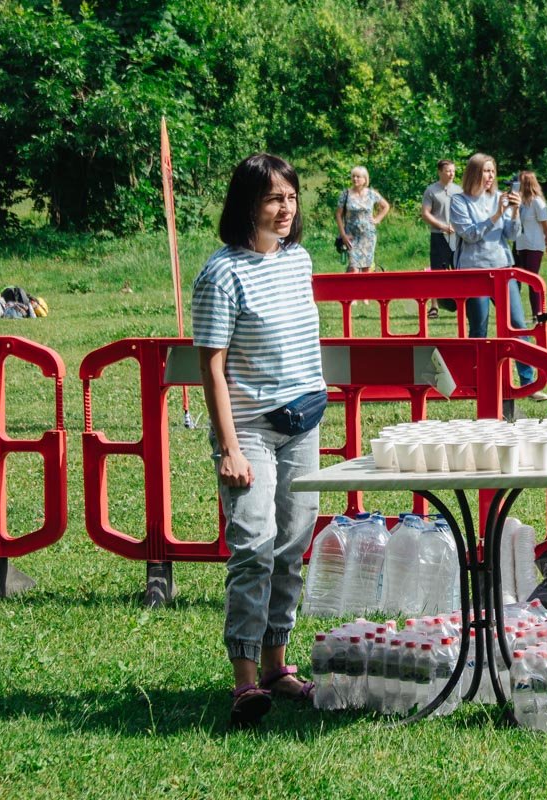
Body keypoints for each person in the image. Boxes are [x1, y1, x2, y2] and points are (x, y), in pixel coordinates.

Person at [192, 154, 326, 727]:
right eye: (274, 198)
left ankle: (278, 664)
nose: (286, 207)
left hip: (303, 421)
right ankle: (245, 680)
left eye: (291, 197)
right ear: (247, 204)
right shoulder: (220, 274)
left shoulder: (299, 261)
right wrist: (229, 449)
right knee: (253, 547)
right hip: (249, 430)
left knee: (292, 546)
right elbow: (212, 368)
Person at [449, 153, 547, 400]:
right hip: (475, 271)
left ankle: (527, 382)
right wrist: (496, 214)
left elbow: (512, 235)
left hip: (503, 268)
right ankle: (476, 381)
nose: (490, 176)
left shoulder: (499, 199)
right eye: (486, 171)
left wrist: (513, 212)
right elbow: (470, 235)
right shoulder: (459, 201)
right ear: (474, 173)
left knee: (517, 325)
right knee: (480, 328)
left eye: (493, 171)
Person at [420, 159, 462, 318]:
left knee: (459, 270)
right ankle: (434, 307)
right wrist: (442, 226)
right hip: (439, 236)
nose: (451, 174)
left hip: (457, 236)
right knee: (437, 272)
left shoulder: (459, 190)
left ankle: (462, 304)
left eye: (453, 171)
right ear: (440, 172)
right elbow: (425, 213)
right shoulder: (431, 190)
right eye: (448, 171)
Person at [335, 165, 390, 273]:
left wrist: (377, 219)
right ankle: (352, 290)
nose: (355, 179)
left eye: (358, 177)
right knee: (353, 268)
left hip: (368, 236)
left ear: (365, 179)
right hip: (351, 236)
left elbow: (386, 206)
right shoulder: (345, 194)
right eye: (353, 176)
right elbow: (338, 215)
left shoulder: (371, 194)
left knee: (367, 268)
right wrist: (343, 235)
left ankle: (367, 290)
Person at [514, 170, 547, 314]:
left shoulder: (537, 202)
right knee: (515, 279)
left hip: (534, 245)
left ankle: (537, 313)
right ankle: (515, 311)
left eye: (520, 182)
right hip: (521, 245)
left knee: (532, 280)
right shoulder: (520, 202)